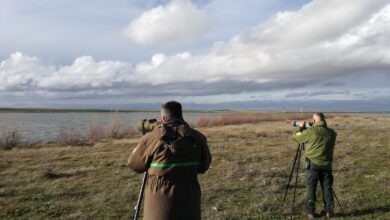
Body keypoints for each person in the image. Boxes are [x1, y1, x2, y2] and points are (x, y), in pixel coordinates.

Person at [128, 101, 212, 220]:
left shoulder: (153, 138)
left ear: (162, 117)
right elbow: (204, 166)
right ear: (181, 115)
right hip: (189, 202)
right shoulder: (198, 138)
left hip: (158, 204)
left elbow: (134, 165)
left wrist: (144, 141)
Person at [292, 113, 337, 219]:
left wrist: (300, 128)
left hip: (312, 164)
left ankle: (310, 212)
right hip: (326, 165)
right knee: (327, 188)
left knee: (311, 188)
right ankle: (329, 211)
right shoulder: (332, 133)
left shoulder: (311, 132)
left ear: (314, 119)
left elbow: (296, 137)